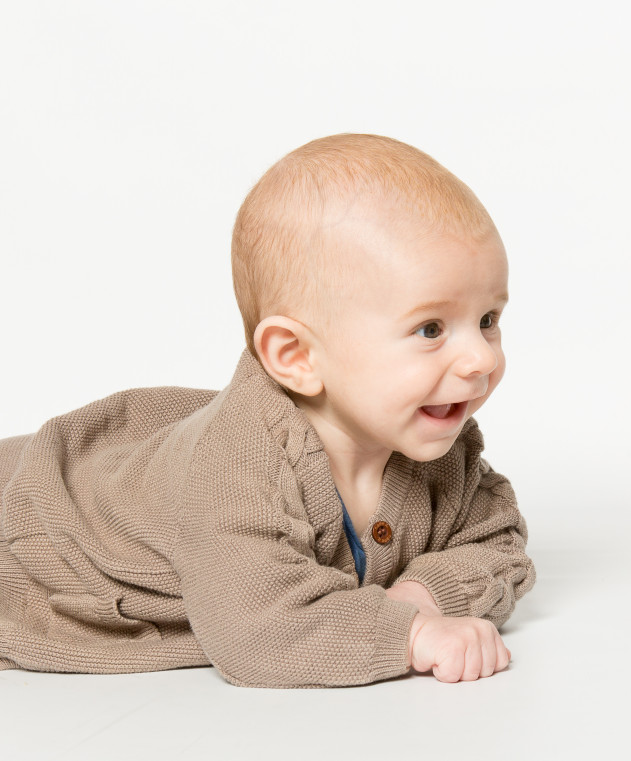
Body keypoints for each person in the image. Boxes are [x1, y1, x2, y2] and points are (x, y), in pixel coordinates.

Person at [0, 134, 535, 688]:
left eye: (488, 320)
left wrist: (421, 596)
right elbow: (259, 630)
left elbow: (497, 540)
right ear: (296, 356)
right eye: (430, 329)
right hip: (32, 543)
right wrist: (410, 635)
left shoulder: (437, 448)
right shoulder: (234, 469)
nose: (480, 358)